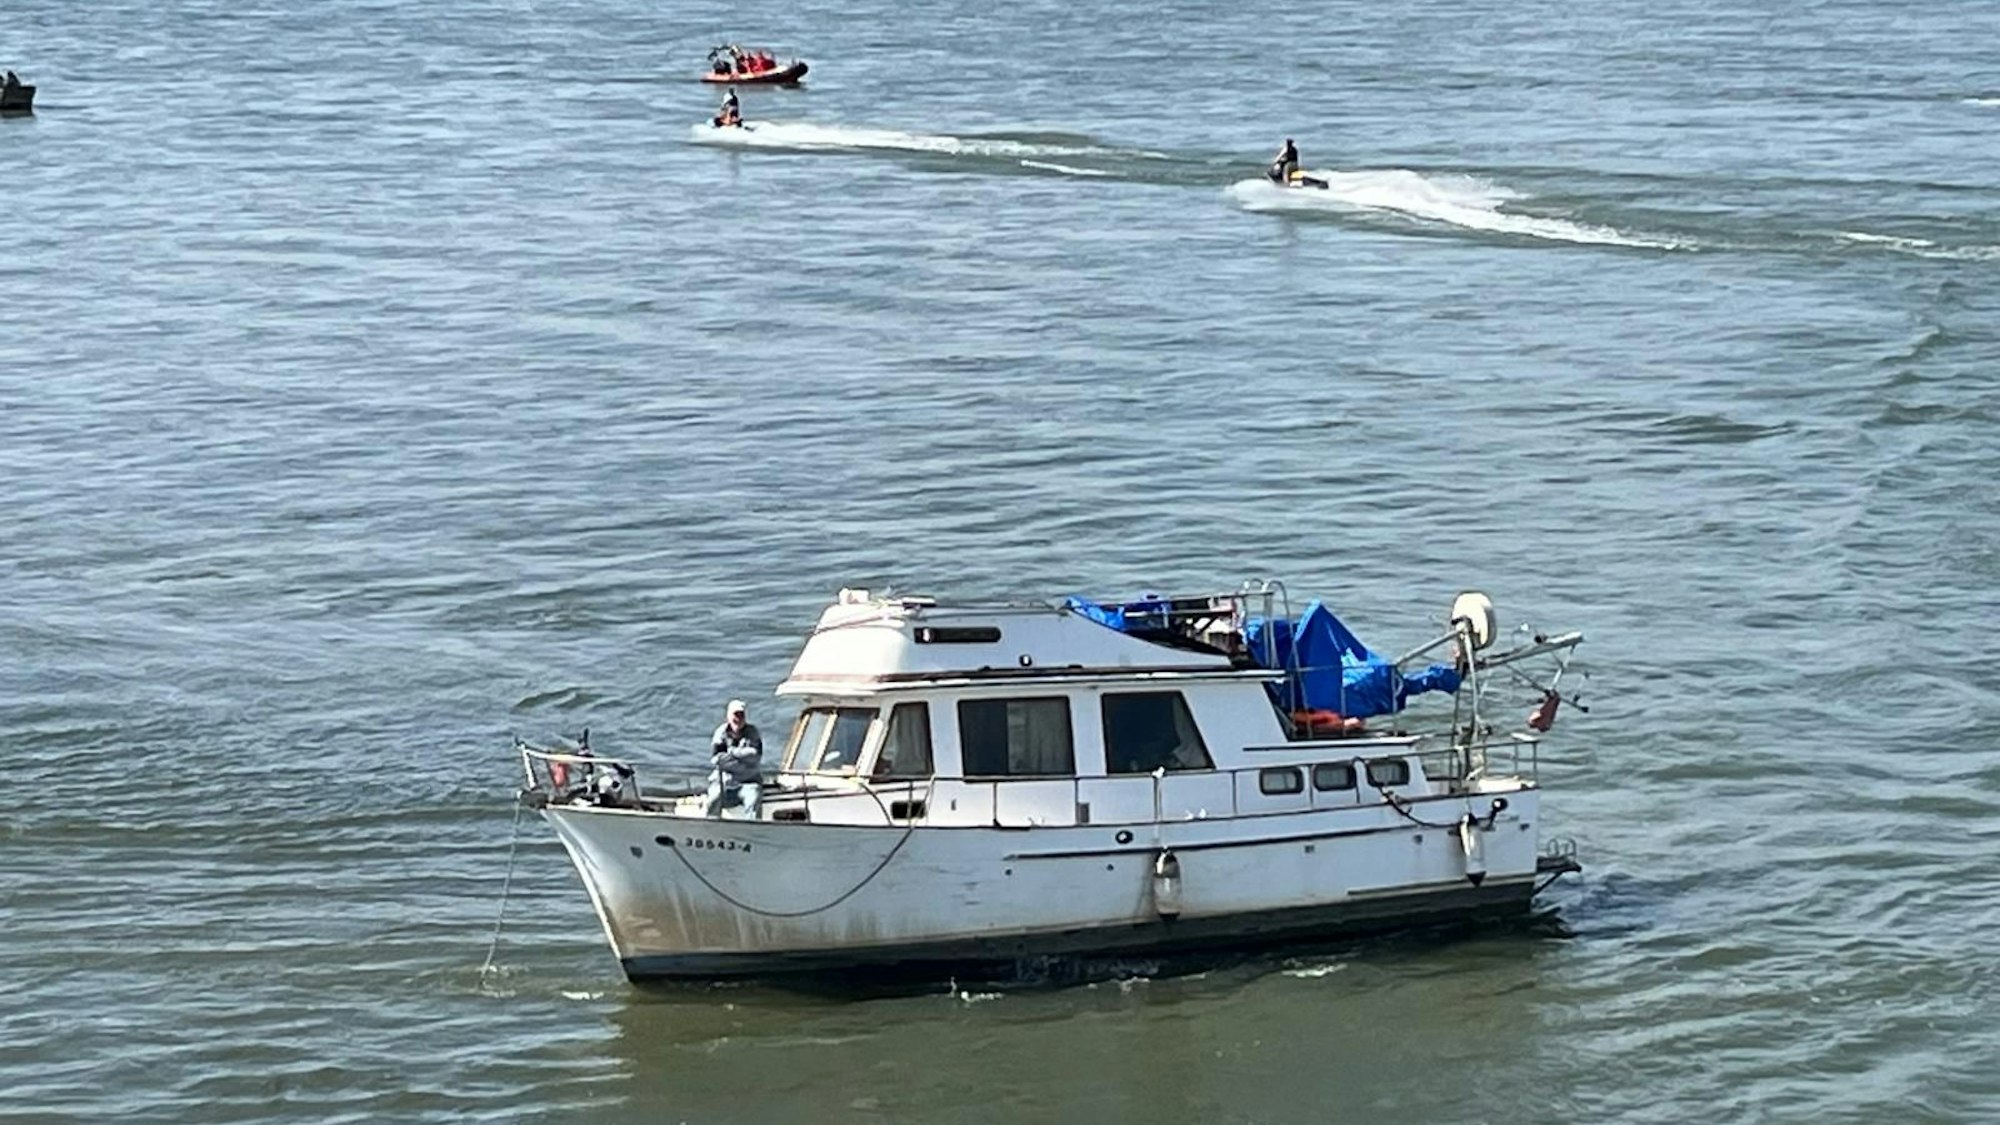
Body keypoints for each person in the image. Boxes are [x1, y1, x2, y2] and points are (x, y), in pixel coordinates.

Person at [704, 699, 763, 817]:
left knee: (754, 798)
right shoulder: (721, 733)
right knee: (713, 800)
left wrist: (731, 753)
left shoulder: (753, 732)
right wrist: (743, 762)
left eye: (741, 715)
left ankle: (753, 830)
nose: (738, 718)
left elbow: (755, 756)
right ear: (728, 716)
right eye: (735, 715)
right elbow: (718, 759)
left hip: (748, 782)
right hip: (724, 782)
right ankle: (710, 828)